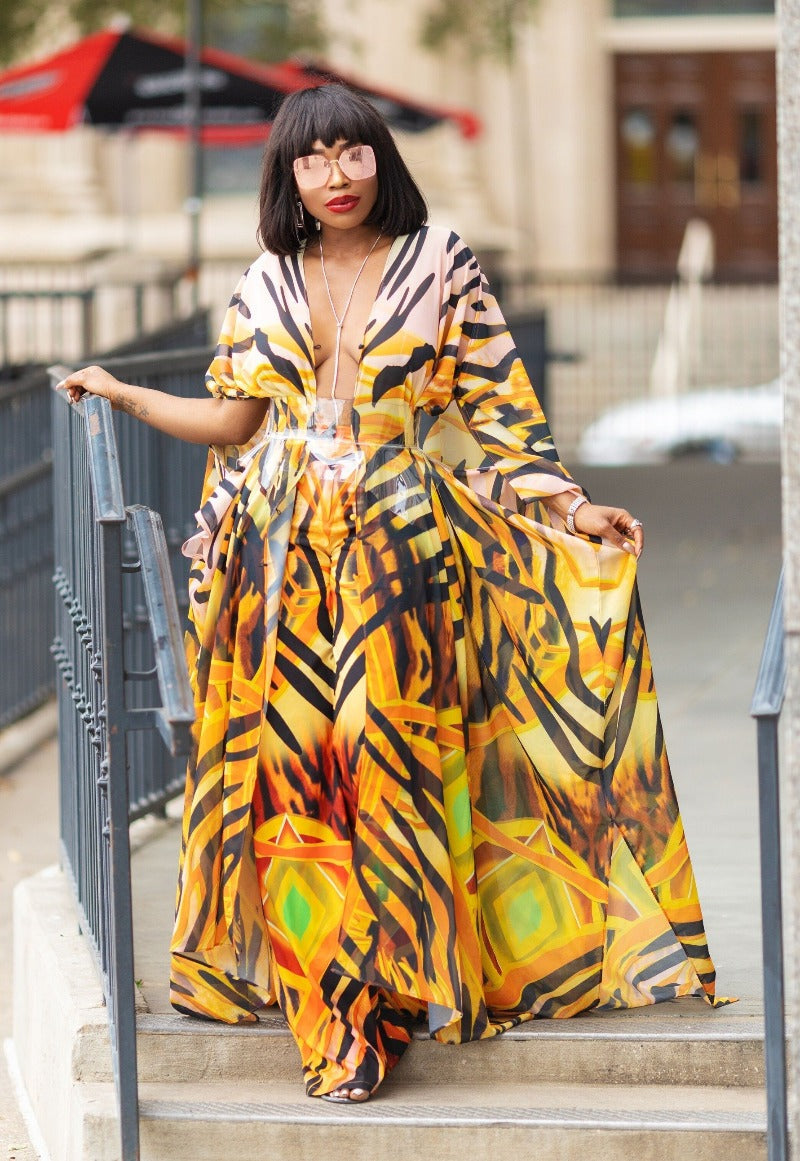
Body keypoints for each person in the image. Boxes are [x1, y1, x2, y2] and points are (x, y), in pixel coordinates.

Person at [58, 83, 726, 1106]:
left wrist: (568, 506)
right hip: (276, 560)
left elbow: (499, 410)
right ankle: (325, 999)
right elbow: (236, 425)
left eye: (351, 153)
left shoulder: (439, 262)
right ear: (287, 175)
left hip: (400, 552)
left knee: (390, 772)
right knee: (296, 781)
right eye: (311, 160)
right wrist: (121, 393)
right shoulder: (265, 278)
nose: (334, 176)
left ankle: (377, 1002)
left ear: (380, 160)